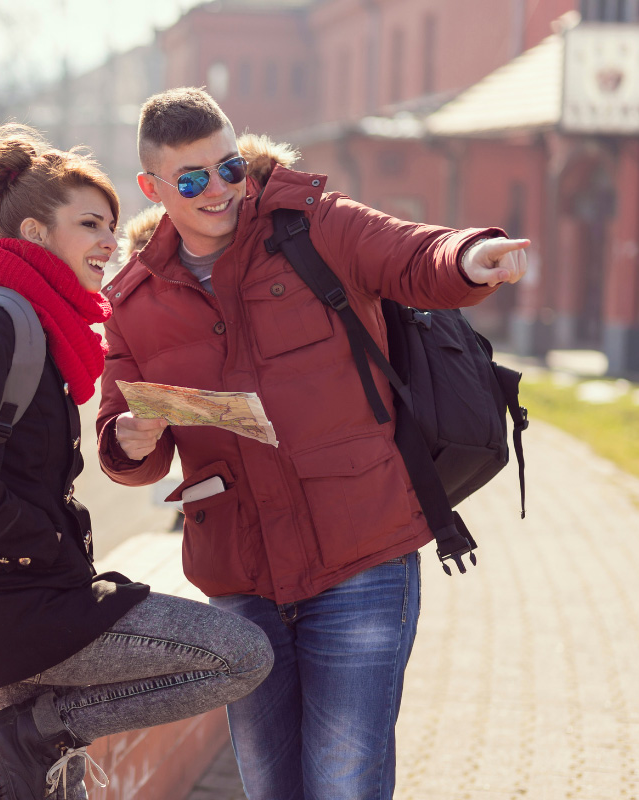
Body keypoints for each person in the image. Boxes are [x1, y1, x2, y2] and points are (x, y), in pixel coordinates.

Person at [95, 88, 529, 800]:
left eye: (228, 168)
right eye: (192, 180)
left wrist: (470, 256)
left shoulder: (313, 225)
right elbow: (120, 436)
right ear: (151, 188)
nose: (219, 191)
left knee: (343, 781)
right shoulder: (134, 300)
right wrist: (131, 437)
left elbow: (413, 252)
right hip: (240, 579)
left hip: (361, 557)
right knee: (269, 785)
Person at [0, 123, 273, 800]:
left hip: (27, 593)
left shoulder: (35, 323)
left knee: (52, 787)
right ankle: (45, 726)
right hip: (17, 599)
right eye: (91, 225)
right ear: (39, 234)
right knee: (243, 654)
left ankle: (41, 730)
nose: (111, 241)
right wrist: (39, 543)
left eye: (111, 224)